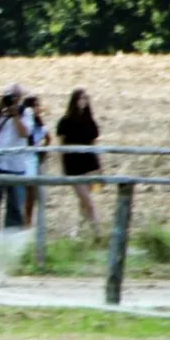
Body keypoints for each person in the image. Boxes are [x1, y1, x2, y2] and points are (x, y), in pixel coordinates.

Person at [0, 83, 33, 235]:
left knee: (15, 206)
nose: (12, 100)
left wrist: (16, 115)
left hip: (16, 167)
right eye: (10, 96)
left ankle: (11, 241)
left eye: (15, 97)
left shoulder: (26, 113)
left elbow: (26, 133)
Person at [56, 88, 102, 237]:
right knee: (88, 201)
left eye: (85, 99)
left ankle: (78, 232)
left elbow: (93, 144)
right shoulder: (65, 121)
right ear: (74, 101)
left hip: (89, 163)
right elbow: (61, 146)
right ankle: (97, 232)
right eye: (80, 99)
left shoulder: (90, 121)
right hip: (73, 165)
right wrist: (63, 166)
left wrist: (99, 167)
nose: (83, 102)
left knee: (84, 201)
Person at [22, 94, 51, 227]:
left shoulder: (39, 123)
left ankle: (28, 220)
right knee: (28, 193)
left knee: (32, 194)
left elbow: (48, 138)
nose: (38, 108)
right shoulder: (27, 122)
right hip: (25, 160)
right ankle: (26, 220)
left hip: (34, 159)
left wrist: (42, 151)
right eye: (36, 105)